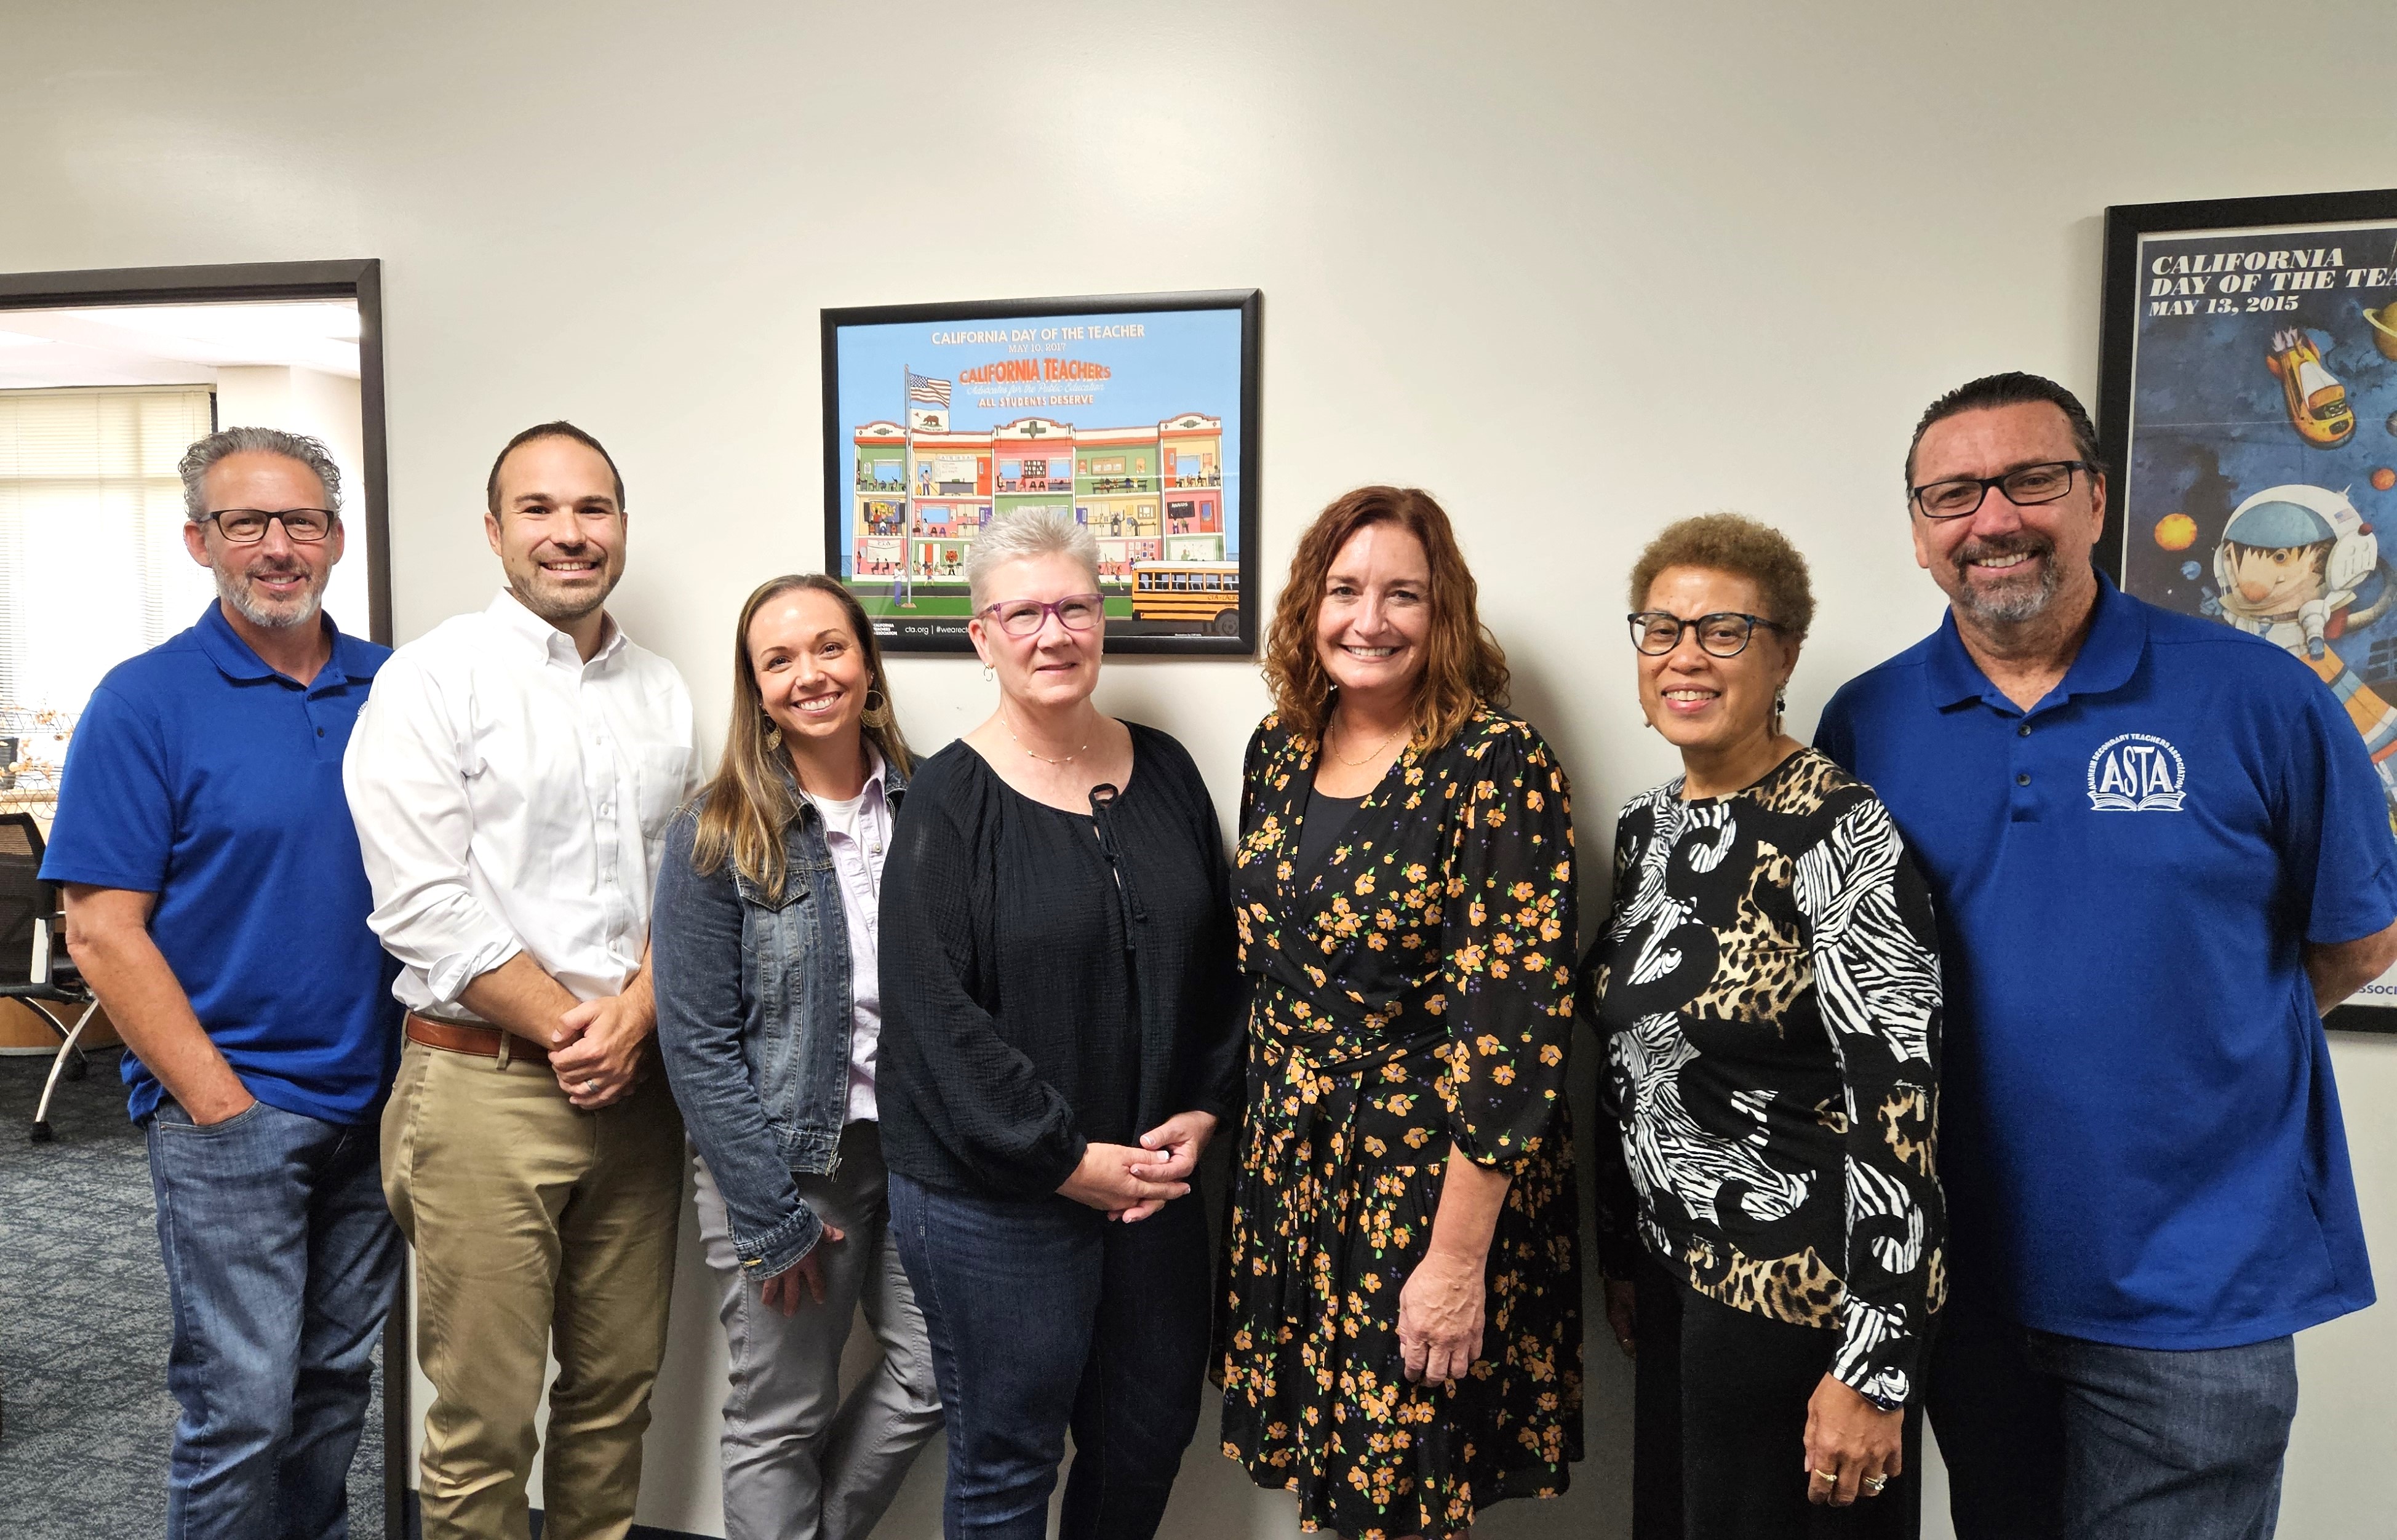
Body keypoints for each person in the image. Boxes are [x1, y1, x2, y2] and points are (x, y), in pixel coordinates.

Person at [1816, 372, 2397, 1540]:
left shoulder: (2260, 698)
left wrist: (2190, 1045)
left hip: (2197, 1286)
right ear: (1921, 532)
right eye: (1954, 494)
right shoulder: (1866, 723)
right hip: (1965, 1279)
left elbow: (2356, 939)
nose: (1994, 519)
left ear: (2091, 499)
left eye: (2031, 480)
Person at [42, 426, 400, 1539]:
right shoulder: (145, 701)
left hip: (384, 1105)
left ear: (336, 538)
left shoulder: (393, 686)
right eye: (247, 524)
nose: (277, 547)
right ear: (200, 541)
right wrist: (217, 1102)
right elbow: (101, 931)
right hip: (234, 1111)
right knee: (239, 1408)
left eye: (300, 522)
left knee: (335, 1393)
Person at [343, 421, 697, 1539]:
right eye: (538, 511)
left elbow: (683, 890)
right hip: (484, 1094)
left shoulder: (666, 692)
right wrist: (574, 1033)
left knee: (614, 1401)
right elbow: (421, 905)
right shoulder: (431, 679)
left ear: (622, 528)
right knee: (485, 1424)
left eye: (592, 509)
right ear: (495, 532)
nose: (569, 534)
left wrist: (632, 1023)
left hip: (638, 1098)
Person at [1217, 485, 1582, 1539]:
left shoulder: (1496, 766)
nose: (1367, 620)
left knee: (1407, 1501)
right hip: (1295, 1170)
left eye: (1402, 595)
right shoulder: (1278, 750)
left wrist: (1457, 1260)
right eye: (1344, 590)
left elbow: (1514, 1032)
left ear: (1446, 615)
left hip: (1428, 1192)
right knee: (1330, 1491)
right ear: (1308, 604)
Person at [877, 507, 1244, 1540]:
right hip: (996, 1201)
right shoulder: (947, 800)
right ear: (981, 636)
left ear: (1103, 616)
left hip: (1158, 1189)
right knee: (1008, 1464)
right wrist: (1063, 1156)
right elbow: (932, 1019)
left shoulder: (1167, 770)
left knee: (1147, 1436)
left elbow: (1223, 962)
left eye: (1074, 607)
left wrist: (1207, 1112)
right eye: (1024, 612)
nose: (1054, 633)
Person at [1584, 513, 1945, 1538]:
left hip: (1800, 1301)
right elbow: (1641, 1057)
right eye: (1660, 630)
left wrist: (1874, 1367)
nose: (1685, 656)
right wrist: (1625, 1252)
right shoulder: (1649, 828)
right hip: (1677, 1278)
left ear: (1785, 651)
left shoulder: (1842, 832)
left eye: (1724, 631)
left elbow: (1899, 1107)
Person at [652, 574, 943, 1540]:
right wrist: (766, 1214)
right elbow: (694, 1042)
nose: (810, 674)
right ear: (757, 686)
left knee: (938, 1373)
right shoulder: (717, 829)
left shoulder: (938, 803)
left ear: (867, 662)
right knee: (779, 1419)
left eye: (830, 648)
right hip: (787, 1169)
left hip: (921, 1157)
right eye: (780, 659)